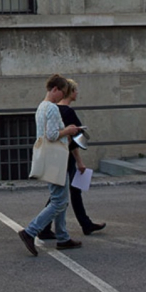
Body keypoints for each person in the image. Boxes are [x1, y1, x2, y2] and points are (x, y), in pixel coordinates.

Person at [17, 74, 84, 256]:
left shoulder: (41, 107)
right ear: (55, 89)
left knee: (60, 198)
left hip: (48, 156)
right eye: (61, 92)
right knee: (59, 200)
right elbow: (53, 135)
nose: (62, 96)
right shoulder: (52, 108)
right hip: (56, 157)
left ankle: (62, 237)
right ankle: (30, 231)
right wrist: (69, 130)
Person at [38, 78, 105, 240]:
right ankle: (38, 228)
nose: (77, 93)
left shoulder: (46, 108)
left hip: (53, 154)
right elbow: (73, 140)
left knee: (60, 193)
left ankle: (59, 231)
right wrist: (79, 159)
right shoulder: (65, 112)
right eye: (75, 90)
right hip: (63, 156)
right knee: (62, 196)